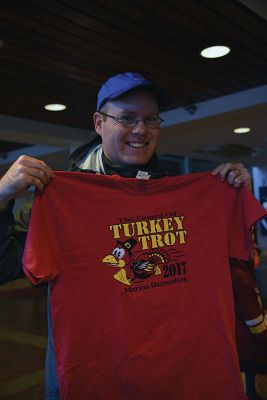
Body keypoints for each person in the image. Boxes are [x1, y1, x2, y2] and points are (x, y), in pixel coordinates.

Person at [0, 72, 263, 400]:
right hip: (100, 380)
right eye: (126, 118)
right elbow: (5, 266)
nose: (140, 130)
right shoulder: (62, 200)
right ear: (99, 123)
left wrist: (235, 199)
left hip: (182, 380)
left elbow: (240, 261)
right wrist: (1, 197)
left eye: (150, 119)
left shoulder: (188, 195)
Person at [230, 253, 267, 400]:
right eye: (254, 253)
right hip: (253, 353)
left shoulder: (234, 271)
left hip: (242, 352)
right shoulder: (242, 278)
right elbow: (256, 325)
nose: (258, 257)